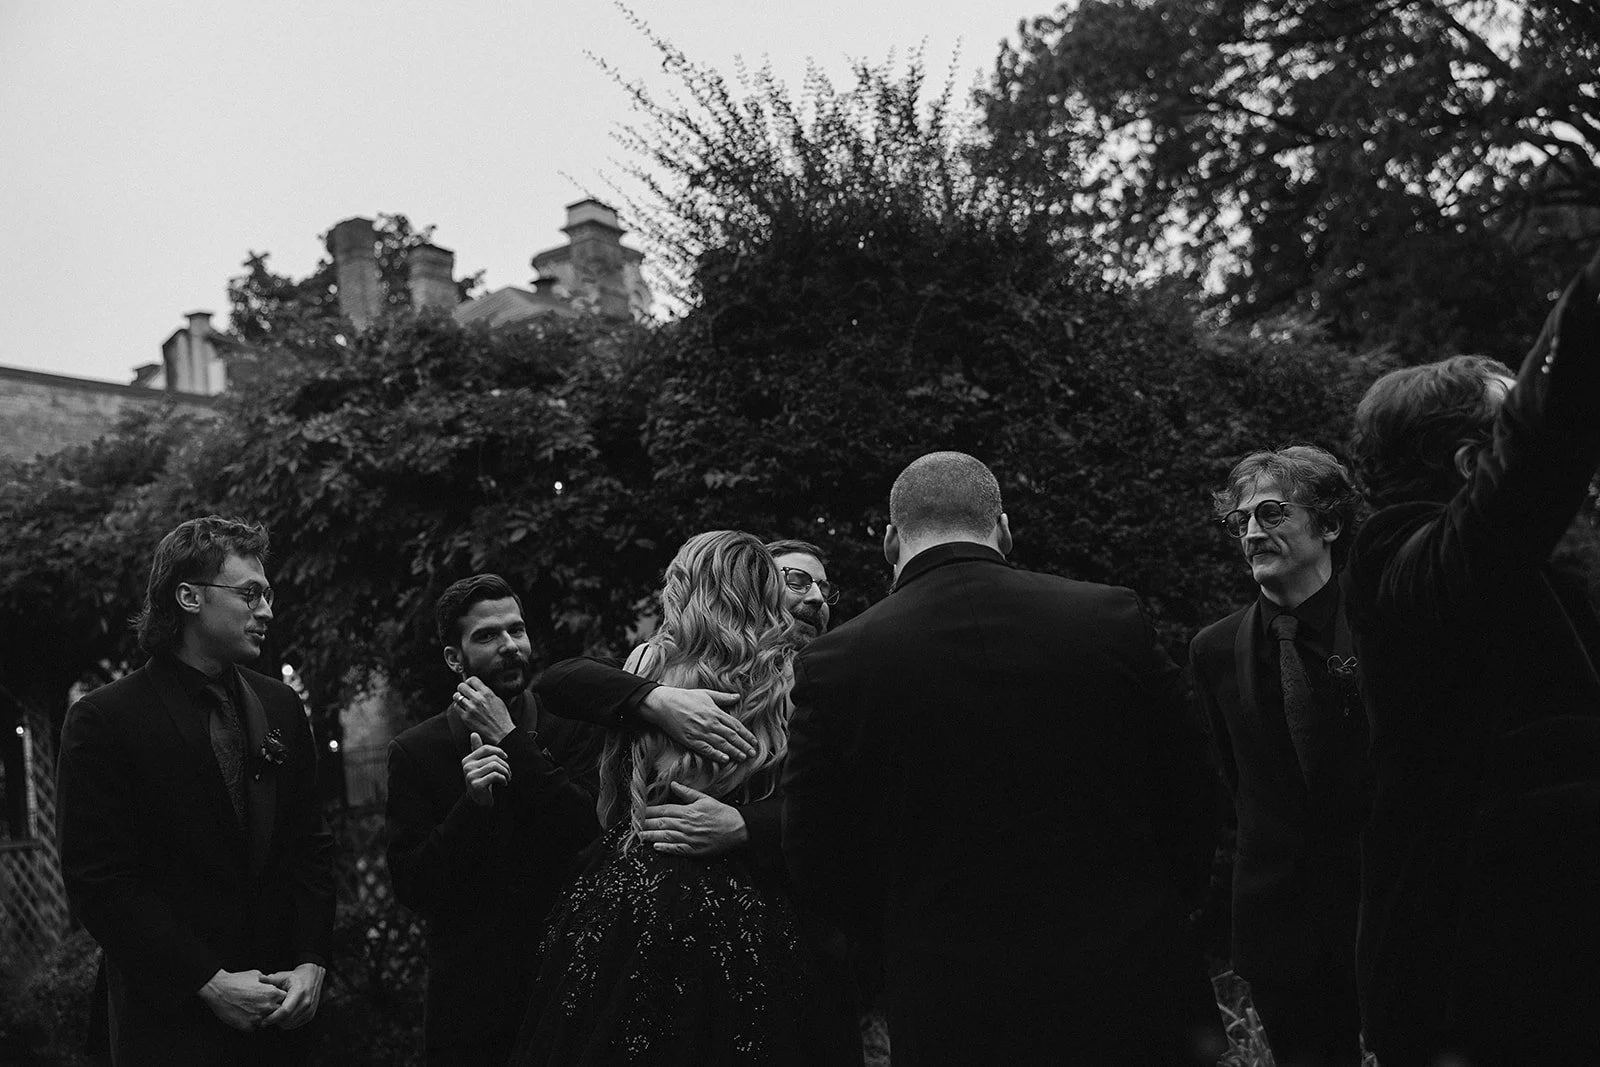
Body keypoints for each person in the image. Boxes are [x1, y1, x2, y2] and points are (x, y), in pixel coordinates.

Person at [782, 451, 1223, 1066]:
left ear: (889, 540)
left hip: (949, 998)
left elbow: (815, 846)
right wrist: (1161, 903)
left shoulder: (837, 662)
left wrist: (893, 949)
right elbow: (1193, 784)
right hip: (1129, 978)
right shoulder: (1109, 616)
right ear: (1004, 527)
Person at [1344, 245, 1600, 1066]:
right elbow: (1537, 454)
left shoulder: (1540, 584)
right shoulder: (1393, 560)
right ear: (1469, 464)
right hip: (1471, 992)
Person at [385, 573, 761, 1066]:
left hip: (568, 978)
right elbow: (413, 884)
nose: (509, 646)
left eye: (516, 630)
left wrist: (513, 741)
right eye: (487, 636)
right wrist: (470, 809)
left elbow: (588, 831)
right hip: (472, 1000)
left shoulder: (574, 728)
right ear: (454, 658)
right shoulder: (416, 751)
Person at [511, 530, 857, 1066]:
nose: (813, 598)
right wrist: (653, 701)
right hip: (681, 907)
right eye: (794, 581)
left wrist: (743, 824)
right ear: (763, 590)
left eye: (823, 588)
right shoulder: (653, 670)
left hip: (662, 902)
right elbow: (559, 681)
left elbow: (841, 806)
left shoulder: (808, 674)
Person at [56, 517, 334, 1066]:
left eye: (269, 594)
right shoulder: (104, 720)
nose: (267, 611)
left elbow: (312, 846)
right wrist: (207, 982)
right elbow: (99, 881)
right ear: (188, 596)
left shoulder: (280, 706)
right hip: (170, 1026)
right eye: (250, 593)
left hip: (283, 1017)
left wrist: (312, 962)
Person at [1189, 447, 1367, 1067]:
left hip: (1385, 909)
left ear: (1330, 525)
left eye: (1272, 514)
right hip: (1279, 921)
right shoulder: (1213, 650)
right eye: (1241, 522)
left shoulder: (1382, 627)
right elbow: (1239, 784)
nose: (1253, 534)